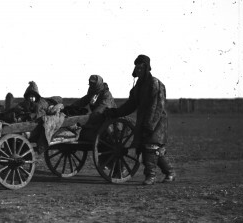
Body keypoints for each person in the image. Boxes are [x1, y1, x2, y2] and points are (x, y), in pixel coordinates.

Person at [104, 54, 176, 185]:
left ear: (147, 68)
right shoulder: (138, 86)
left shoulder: (155, 83)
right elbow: (131, 104)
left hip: (157, 121)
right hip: (143, 119)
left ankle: (151, 176)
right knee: (148, 149)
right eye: (137, 68)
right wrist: (116, 112)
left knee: (151, 147)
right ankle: (170, 172)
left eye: (141, 68)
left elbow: (157, 107)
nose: (138, 70)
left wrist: (149, 125)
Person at [65, 75, 116, 140]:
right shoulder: (92, 92)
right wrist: (72, 107)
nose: (91, 85)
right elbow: (84, 100)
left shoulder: (106, 94)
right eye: (90, 84)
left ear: (98, 84)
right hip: (96, 117)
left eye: (93, 84)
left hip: (107, 118)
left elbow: (103, 106)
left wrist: (90, 117)